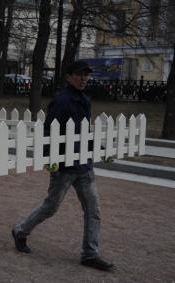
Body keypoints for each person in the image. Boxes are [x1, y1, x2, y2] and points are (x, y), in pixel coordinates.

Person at [11, 61, 114, 271]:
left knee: (94, 210)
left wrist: (100, 148)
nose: (84, 78)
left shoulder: (85, 100)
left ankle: (90, 254)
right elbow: (49, 132)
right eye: (79, 74)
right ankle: (20, 231)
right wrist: (50, 159)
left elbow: (83, 132)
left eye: (86, 75)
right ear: (68, 77)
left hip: (84, 165)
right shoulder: (61, 101)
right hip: (64, 166)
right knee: (51, 207)